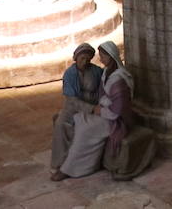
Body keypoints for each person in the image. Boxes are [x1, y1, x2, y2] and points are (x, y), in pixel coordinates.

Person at [54, 41, 137, 179]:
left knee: (84, 131)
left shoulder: (118, 80)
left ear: (111, 57)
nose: (100, 59)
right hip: (103, 112)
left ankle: (71, 169)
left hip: (115, 120)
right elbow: (98, 96)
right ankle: (70, 162)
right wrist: (98, 106)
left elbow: (118, 109)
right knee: (78, 119)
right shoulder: (105, 73)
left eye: (103, 56)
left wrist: (101, 109)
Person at [49, 43, 104, 174]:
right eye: (82, 59)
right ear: (76, 59)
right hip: (73, 107)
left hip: (93, 105)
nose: (85, 62)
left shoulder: (96, 71)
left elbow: (103, 86)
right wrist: (91, 108)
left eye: (87, 59)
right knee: (61, 124)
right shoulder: (70, 74)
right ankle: (59, 162)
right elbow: (71, 99)